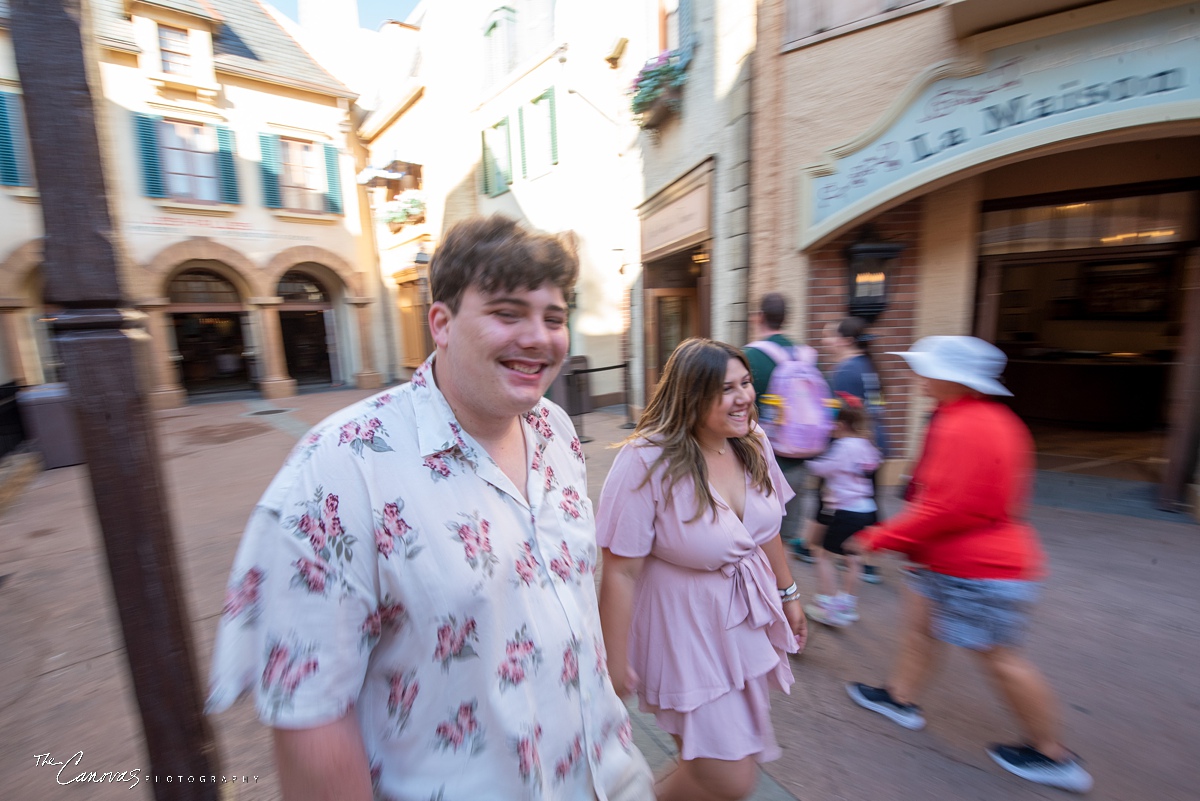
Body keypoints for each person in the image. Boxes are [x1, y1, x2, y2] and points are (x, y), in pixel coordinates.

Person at [206, 216, 653, 801]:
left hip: (608, 777)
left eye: (554, 317)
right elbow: (311, 712)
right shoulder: (340, 469)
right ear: (440, 323)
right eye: (507, 312)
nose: (539, 337)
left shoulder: (557, 430)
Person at [842, 336, 1092, 794]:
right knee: (921, 631)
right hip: (954, 561)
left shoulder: (967, 425)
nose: (918, 374)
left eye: (926, 368)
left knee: (1000, 659)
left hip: (978, 567)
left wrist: (879, 537)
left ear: (952, 378)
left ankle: (1051, 753)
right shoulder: (982, 419)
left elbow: (949, 509)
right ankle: (900, 698)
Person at [597, 337, 807, 801]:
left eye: (746, 383)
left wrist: (789, 595)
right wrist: (613, 661)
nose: (744, 397)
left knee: (723, 763)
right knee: (728, 776)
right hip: (682, 630)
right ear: (691, 396)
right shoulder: (646, 460)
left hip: (742, 620)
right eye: (726, 389)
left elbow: (764, 527)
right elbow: (620, 570)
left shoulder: (752, 440)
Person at [801, 316, 888, 582]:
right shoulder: (866, 366)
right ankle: (860, 556)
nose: (825, 339)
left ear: (846, 341)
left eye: (830, 335)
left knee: (833, 497)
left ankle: (837, 551)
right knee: (864, 500)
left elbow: (838, 413)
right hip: (872, 445)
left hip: (850, 446)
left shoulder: (846, 371)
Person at [802, 393, 881, 628]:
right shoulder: (866, 445)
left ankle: (829, 604)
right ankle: (847, 603)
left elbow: (823, 468)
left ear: (842, 424)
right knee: (853, 557)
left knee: (821, 553)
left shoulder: (844, 446)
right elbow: (873, 463)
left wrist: (805, 457)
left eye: (833, 423)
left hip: (845, 510)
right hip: (866, 508)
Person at [743, 293, 812, 560]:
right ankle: (784, 590)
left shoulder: (751, 356)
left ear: (759, 317)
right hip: (800, 458)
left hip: (761, 459)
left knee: (757, 534)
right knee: (784, 536)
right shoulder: (805, 355)